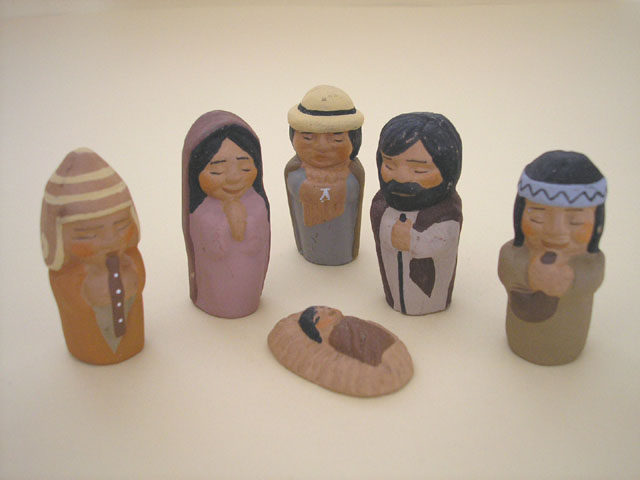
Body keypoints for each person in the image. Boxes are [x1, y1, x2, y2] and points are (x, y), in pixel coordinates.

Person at [498, 150, 606, 365]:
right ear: (520, 214)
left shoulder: (590, 263)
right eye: (537, 218)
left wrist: (571, 279)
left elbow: (591, 279)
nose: (555, 232)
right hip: (520, 335)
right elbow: (508, 270)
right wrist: (527, 272)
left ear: (596, 222)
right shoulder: (514, 253)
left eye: (575, 222)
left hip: (568, 339)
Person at [41, 148, 145, 364]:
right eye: (88, 235)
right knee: (91, 339)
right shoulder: (66, 275)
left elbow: (139, 280)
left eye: (122, 225)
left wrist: (134, 276)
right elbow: (71, 300)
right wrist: (88, 291)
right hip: (88, 338)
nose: (110, 240)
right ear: (58, 239)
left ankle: (131, 342)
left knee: (132, 320)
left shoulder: (129, 257)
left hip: (131, 325)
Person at [370, 112, 463, 315]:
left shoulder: (446, 211)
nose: (401, 177)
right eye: (389, 165)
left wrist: (414, 241)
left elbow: (444, 240)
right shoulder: (381, 203)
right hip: (393, 284)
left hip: (430, 295)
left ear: (448, 171)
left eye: (419, 171)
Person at [182, 110, 270, 318]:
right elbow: (215, 250)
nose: (233, 178)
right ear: (196, 172)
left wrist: (246, 221)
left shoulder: (258, 204)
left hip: (249, 279)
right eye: (217, 171)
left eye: (245, 168)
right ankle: (215, 303)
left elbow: (257, 247)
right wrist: (227, 221)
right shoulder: (201, 212)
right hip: (216, 284)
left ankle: (248, 299)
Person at [285, 85, 365, 265]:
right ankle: (310, 251)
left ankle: (342, 255)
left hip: (341, 235)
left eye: (337, 138)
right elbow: (294, 191)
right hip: (309, 235)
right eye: (308, 137)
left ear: (354, 139)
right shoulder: (295, 171)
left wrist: (334, 189)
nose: (321, 147)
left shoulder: (353, 172)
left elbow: (353, 194)